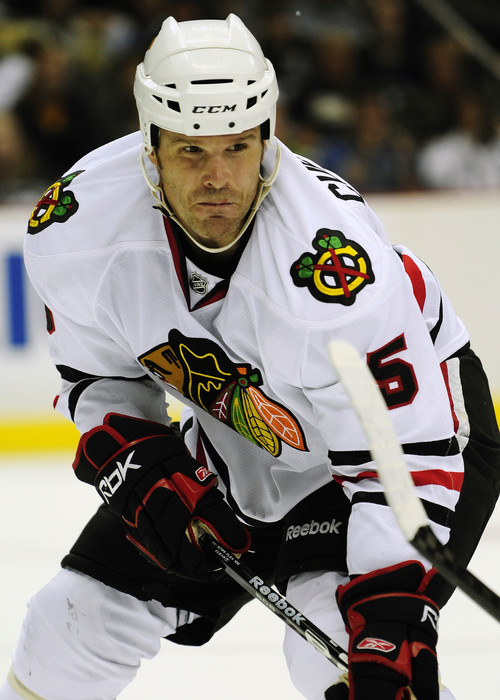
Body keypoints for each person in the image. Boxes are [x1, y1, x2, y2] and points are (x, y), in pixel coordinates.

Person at [2, 14, 499, 700]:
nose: (218, 178)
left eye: (237, 147)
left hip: (411, 440)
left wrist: (391, 616)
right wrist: (139, 460)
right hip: (246, 437)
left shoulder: (332, 272)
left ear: (267, 137)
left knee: (336, 663)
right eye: (190, 151)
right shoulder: (79, 224)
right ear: (150, 146)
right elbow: (98, 376)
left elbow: (410, 452)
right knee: (68, 628)